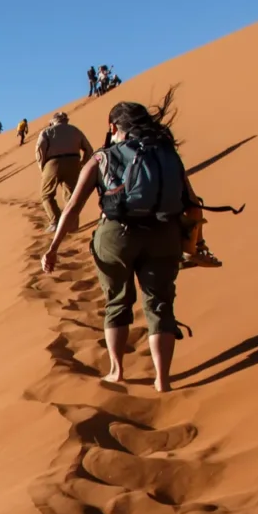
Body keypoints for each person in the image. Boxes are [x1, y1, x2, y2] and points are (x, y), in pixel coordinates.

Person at [40, 89, 193, 393]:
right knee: (160, 304)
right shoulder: (166, 154)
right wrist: (195, 244)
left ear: (113, 127)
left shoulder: (103, 158)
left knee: (117, 302)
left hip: (116, 237)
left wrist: (53, 248)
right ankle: (162, 379)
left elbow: (72, 208)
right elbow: (192, 201)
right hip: (164, 234)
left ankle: (117, 371)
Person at [36, 112, 94, 232]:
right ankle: (71, 225)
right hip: (74, 162)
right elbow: (89, 149)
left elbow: (40, 150)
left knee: (46, 194)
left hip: (53, 163)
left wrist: (42, 167)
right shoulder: (75, 130)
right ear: (66, 120)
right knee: (72, 196)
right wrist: (83, 163)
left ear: (53, 121)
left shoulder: (47, 131)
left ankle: (55, 221)